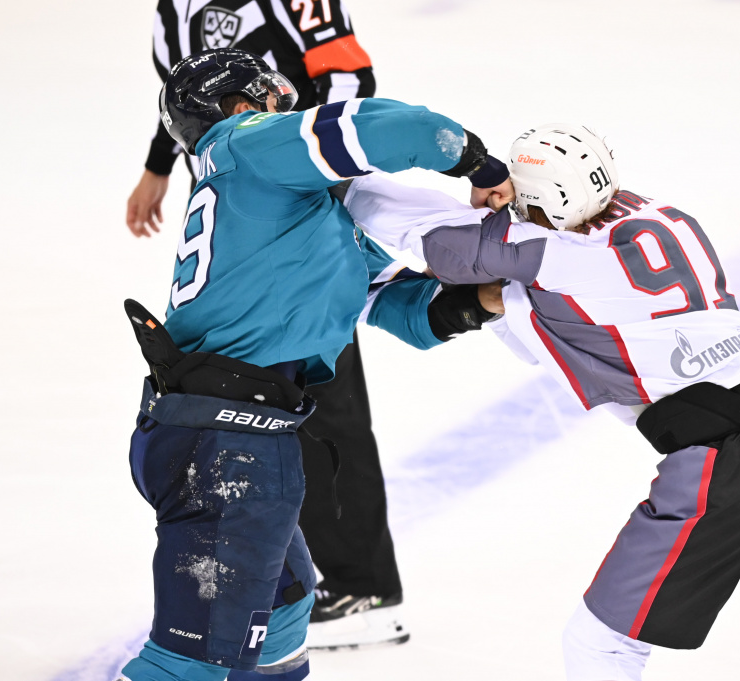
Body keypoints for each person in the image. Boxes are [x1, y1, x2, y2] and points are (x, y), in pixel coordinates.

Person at [340, 124, 740, 681]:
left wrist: (334, 175)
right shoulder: (661, 215)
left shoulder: (558, 256)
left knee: (602, 645)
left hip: (728, 466)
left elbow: (440, 243)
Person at [118, 48, 511, 681]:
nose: (285, 108)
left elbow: (399, 308)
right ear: (236, 106)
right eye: (271, 98)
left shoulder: (286, 211)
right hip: (225, 449)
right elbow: (396, 129)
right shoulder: (247, 144)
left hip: (231, 437)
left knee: (282, 618)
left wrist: (489, 298)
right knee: (189, 665)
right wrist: (479, 165)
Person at [125, 0, 417, 649]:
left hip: (295, 197)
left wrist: (312, 174)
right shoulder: (172, 11)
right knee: (264, 397)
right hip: (241, 208)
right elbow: (184, 95)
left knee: (322, 396)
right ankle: (302, 582)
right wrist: (158, 165)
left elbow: (349, 77)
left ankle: (361, 586)